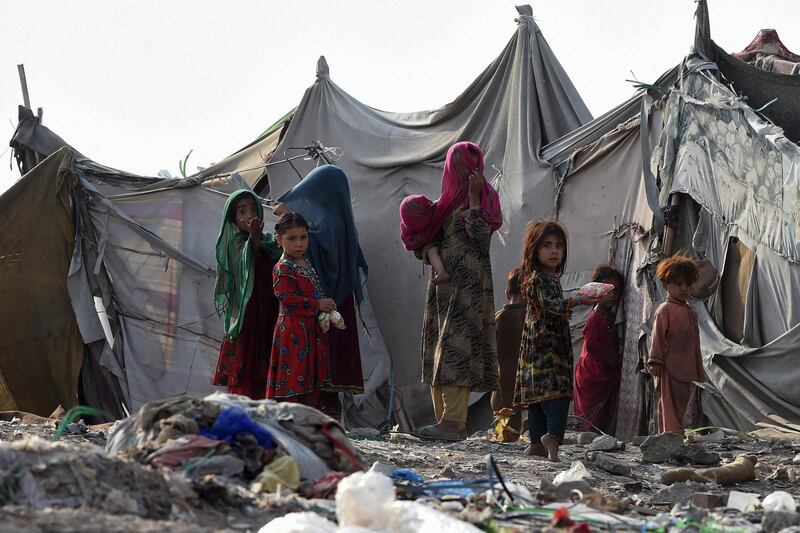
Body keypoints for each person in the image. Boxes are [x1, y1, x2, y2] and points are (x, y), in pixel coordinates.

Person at [400, 141, 503, 441]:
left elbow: (481, 239)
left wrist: (472, 199)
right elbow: (421, 242)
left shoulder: (484, 200)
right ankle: (450, 424)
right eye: (461, 167)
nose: (468, 173)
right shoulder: (442, 207)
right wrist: (431, 253)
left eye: (473, 167)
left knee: (458, 352)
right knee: (439, 352)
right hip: (443, 293)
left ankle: (452, 421)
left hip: (470, 292)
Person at [274, 165, 368, 420]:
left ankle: (323, 418)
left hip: (325, 303)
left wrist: (289, 214)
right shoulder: (338, 219)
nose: (298, 242)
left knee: (325, 366)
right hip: (331, 301)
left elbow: (311, 244)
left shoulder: (331, 221)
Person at [513, 220, 600, 461]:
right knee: (556, 395)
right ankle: (551, 437)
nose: (554, 251)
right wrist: (579, 301)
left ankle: (537, 443)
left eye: (559, 246)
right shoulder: (538, 279)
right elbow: (551, 307)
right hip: (546, 350)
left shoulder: (550, 279)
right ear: (534, 249)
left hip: (545, 348)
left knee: (540, 396)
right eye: (547, 245)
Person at [212, 189, 282, 399]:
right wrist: (253, 240)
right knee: (246, 373)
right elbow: (244, 262)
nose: (249, 214)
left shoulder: (271, 242)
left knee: (270, 367)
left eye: (253, 209)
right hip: (246, 319)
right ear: (233, 218)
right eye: (242, 211)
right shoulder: (234, 244)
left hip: (269, 314)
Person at [266, 211, 337, 407]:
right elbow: (289, 300)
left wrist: (326, 304)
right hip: (293, 333)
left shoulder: (306, 263)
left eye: (303, 237)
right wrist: (317, 305)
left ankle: (307, 424)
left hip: (311, 332)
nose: (299, 244)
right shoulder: (282, 268)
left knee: (311, 382)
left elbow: (314, 291)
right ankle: (290, 425)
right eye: (292, 238)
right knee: (293, 379)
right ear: (279, 240)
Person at [647, 255, 706, 433]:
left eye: (687, 285)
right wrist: (655, 361)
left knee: (680, 405)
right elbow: (657, 337)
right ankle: (670, 436)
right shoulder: (665, 310)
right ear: (666, 285)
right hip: (669, 367)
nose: (684, 289)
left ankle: (672, 436)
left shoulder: (690, 312)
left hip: (685, 369)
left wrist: (697, 367)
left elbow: (694, 344)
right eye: (678, 284)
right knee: (669, 405)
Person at [572, 265, 625, 434]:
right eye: (607, 290)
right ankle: (588, 438)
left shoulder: (609, 316)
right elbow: (592, 345)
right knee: (591, 412)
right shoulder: (595, 318)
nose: (612, 296)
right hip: (592, 373)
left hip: (603, 371)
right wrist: (613, 358)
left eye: (616, 292)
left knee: (602, 413)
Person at [490, 267, 527, 441]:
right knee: (516, 418)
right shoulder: (531, 318)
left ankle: (502, 438)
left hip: (501, 378)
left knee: (502, 418)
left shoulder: (499, 318)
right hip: (523, 379)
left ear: (507, 294)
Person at [399, 196, 449, 284]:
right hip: (441, 232)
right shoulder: (434, 209)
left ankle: (441, 271)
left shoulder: (414, 232)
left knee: (432, 251)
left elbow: (411, 242)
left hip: (435, 239)